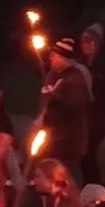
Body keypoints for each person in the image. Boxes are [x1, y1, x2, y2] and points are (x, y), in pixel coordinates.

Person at [37, 38, 94, 183]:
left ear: (64, 58)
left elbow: (76, 105)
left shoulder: (75, 79)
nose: (51, 59)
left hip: (69, 141)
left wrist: (54, 95)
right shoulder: (54, 75)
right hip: (53, 138)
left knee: (66, 178)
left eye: (54, 56)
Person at [78, 24, 105, 185]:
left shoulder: (104, 67)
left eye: (89, 42)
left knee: (88, 151)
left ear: (96, 44)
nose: (85, 45)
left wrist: (104, 113)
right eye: (83, 42)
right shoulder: (83, 65)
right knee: (84, 151)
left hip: (101, 117)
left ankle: (94, 185)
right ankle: (90, 184)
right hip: (88, 116)